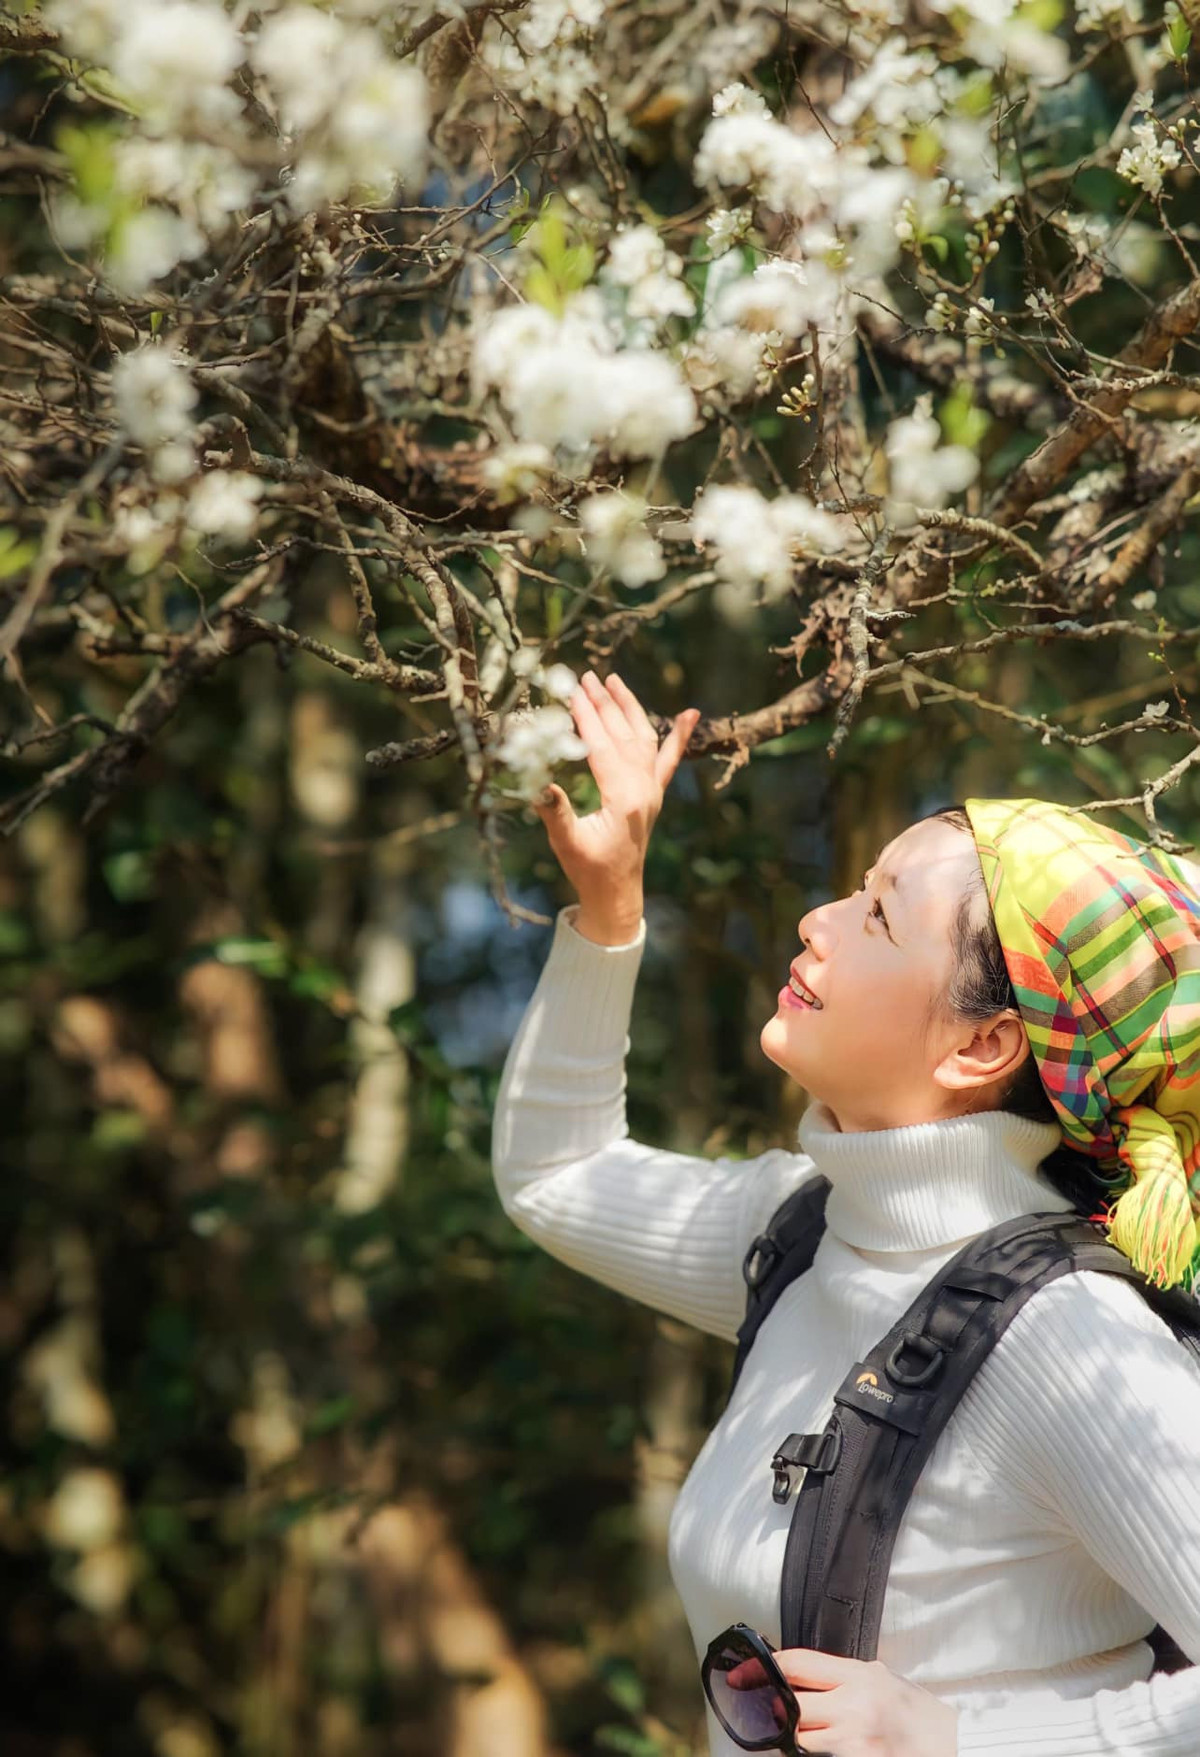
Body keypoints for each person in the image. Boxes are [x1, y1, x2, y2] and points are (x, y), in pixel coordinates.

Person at [490, 667, 1200, 1756]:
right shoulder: (806, 1230)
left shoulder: (1066, 1338)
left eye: (877, 913)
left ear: (982, 1045)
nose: (820, 920)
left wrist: (961, 1737)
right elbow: (559, 1175)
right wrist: (607, 909)